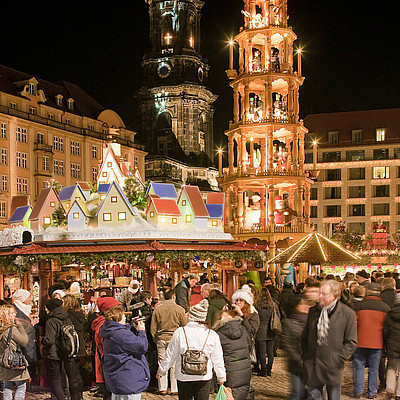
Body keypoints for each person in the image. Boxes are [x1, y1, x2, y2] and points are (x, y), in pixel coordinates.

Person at [157, 299, 226, 400]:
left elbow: (171, 355)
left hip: (183, 375)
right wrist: (221, 376)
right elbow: (218, 358)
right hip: (204, 376)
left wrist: (162, 371)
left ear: (190, 317)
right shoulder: (212, 334)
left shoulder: (180, 332)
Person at [301, 280, 357, 400]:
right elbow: (305, 335)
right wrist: (305, 355)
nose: (320, 296)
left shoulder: (347, 314)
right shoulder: (313, 311)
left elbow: (351, 342)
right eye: (319, 293)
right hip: (313, 365)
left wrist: (338, 358)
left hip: (333, 367)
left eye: (323, 294)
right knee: (313, 396)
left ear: (333, 296)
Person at [100, 305, 149, 400]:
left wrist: (132, 327)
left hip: (117, 378)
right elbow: (142, 346)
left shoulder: (109, 331)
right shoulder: (121, 335)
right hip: (128, 379)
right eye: (123, 316)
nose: (125, 317)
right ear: (119, 318)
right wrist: (141, 331)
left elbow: (124, 339)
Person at [353, 283, 390, 399]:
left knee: (359, 366)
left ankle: (358, 391)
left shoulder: (358, 306)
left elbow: (354, 324)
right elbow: (387, 328)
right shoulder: (385, 308)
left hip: (360, 340)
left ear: (367, 292)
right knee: (374, 368)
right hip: (377, 342)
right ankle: (372, 392)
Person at [42, 298, 82, 400]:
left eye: (46, 307)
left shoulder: (51, 320)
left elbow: (49, 340)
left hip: (54, 353)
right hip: (67, 351)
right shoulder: (66, 317)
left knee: (55, 380)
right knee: (72, 377)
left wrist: (42, 340)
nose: (45, 309)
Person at [150, 289, 187, 395]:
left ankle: (163, 387)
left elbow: (153, 328)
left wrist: (156, 339)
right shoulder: (179, 309)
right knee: (174, 363)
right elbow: (184, 325)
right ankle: (175, 388)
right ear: (173, 296)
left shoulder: (158, 309)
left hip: (161, 338)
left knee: (162, 362)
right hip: (174, 339)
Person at [213, 309, 252, 400]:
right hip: (245, 368)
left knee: (230, 395)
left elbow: (217, 355)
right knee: (243, 391)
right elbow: (249, 345)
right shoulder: (242, 329)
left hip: (230, 371)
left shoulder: (219, 334)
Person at [91, 296, 120, 400]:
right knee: (109, 395)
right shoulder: (104, 326)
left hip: (104, 363)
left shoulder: (102, 323)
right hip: (108, 364)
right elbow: (108, 346)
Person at [0, 304, 30, 400]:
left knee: (7, 387)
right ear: (7, 315)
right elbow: (24, 341)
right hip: (14, 363)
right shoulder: (12, 330)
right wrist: (20, 326)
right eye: (12, 313)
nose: (14, 315)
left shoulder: (1, 329)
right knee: (21, 387)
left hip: (3, 363)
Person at [282, 294, 309, 400]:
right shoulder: (288, 323)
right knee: (297, 392)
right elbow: (288, 345)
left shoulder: (311, 320)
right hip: (297, 365)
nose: (305, 306)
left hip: (311, 364)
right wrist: (299, 360)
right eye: (301, 304)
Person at [12, 289, 37, 383]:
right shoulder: (17, 311)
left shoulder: (23, 309)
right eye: (28, 297)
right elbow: (20, 331)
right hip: (24, 346)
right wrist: (32, 324)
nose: (30, 299)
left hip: (28, 345)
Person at [62, 294, 85, 399]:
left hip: (71, 345)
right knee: (77, 373)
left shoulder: (67, 315)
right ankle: (80, 395)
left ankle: (75, 396)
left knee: (72, 375)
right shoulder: (80, 314)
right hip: (80, 345)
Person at [254, 287, 277, 377]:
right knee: (270, 352)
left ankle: (263, 370)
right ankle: (269, 369)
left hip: (260, 331)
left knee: (262, 352)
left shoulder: (257, 306)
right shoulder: (273, 305)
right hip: (271, 330)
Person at [383, 296, 400, 399]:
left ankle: (390, 388)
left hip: (392, 344)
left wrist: (386, 342)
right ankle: (399, 393)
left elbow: (385, 331)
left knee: (391, 366)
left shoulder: (390, 314)